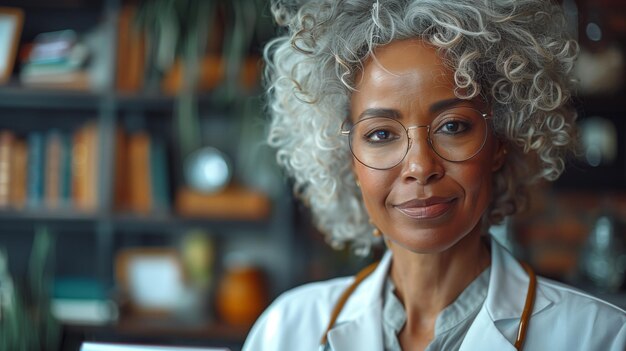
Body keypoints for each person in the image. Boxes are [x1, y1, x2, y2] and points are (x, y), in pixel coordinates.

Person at [243, 0, 626, 350]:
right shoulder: (287, 331)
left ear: (500, 142)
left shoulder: (599, 336)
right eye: (380, 134)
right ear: (348, 160)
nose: (421, 167)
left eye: (453, 126)